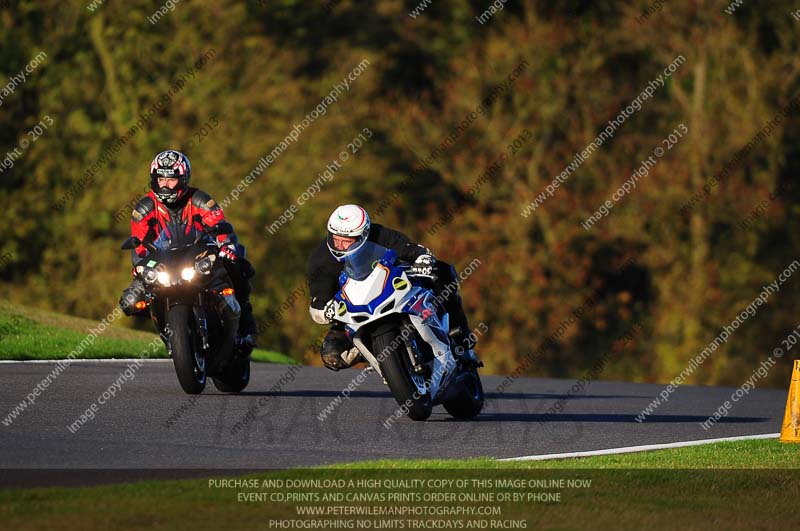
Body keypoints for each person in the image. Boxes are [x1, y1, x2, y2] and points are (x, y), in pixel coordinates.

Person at [307, 204, 475, 371]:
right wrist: (326, 312)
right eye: (336, 239)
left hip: (392, 292)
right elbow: (318, 304)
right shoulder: (319, 261)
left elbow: (409, 249)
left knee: (442, 271)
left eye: (348, 241)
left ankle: (463, 341)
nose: (340, 246)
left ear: (364, 234)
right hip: (355, 312)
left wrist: (422, 258)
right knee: (332, 354)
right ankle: (380, 358)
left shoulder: (380, 235)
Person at [119, 150, 256, 352]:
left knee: (238, 266)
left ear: (183, 179)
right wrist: (141, 266)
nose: (165, 184)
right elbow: (139, 245)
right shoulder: (144, 209)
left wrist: (226, 244)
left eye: (171, 179)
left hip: (200, 255)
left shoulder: (200, 199)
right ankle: (168, 328)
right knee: (130, 302)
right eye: (161, 179)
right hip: (163, 262)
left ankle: (246, 329)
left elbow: (219, 223)